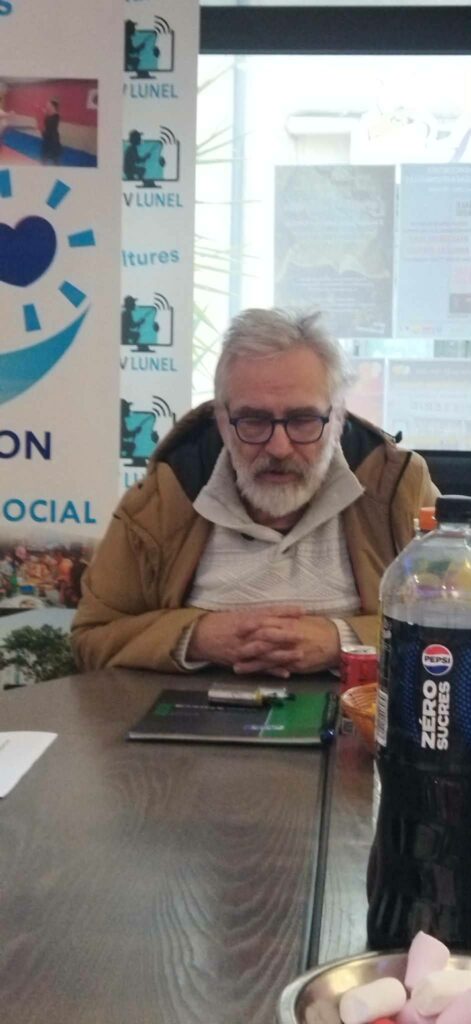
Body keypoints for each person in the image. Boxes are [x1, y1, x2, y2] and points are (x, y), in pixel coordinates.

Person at [71, 308, 438, 676]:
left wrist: (341, 641)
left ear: (338, 417)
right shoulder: (165, 496)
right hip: (186, 709)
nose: (278, 448)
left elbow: (453, 628)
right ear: (221, 420)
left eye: (302, 420)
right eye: (254, 421)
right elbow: (92, 638)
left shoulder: (398, 489)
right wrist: (196, 637)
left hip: (356, 706)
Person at [40, 99, 61, 165]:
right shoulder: (49, 115)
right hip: (47, 138)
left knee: (55, 158)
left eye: (48, 105)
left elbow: (50, 125)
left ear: (53, 106)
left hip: (53, 139)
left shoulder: (56, 116)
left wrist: (46, 114)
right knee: (44, 157)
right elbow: (46, 124)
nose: (46, 106)